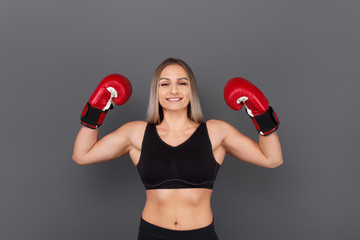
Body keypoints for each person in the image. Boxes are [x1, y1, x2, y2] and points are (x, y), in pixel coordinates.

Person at [72, 58, 283, 240]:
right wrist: (97, 108)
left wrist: (261, 114)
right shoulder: (136, 133)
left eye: (182, 83)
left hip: (201, 235)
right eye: (165, 84)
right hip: (152, 234)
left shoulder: (216, 132)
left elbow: (272, 158)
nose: (174, 90)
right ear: (156, 91)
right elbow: (82, 154)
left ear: (191, 90)